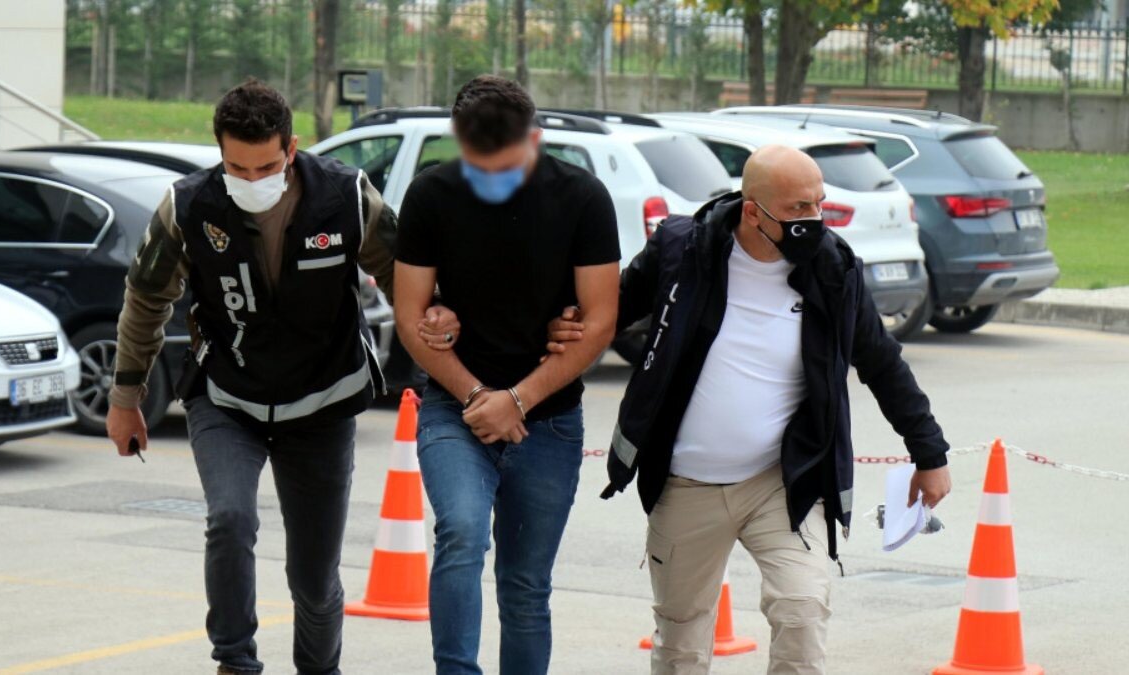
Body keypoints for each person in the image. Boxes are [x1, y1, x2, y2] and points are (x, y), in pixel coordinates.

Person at [545, 145, 953, 674]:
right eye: (798, 208)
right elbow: (611, 313)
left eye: (819, 204)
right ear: (753, 211)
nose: (813, 219)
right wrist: (563, 329)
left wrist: (929, 453)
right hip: (686, 483)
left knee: (803, 610)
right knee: (681, 640)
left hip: (781, 482)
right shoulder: (682, 250)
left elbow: (882, 361)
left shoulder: (832, 268)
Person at [103, 79, 458, 675]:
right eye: (236, 168)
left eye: (266, 167)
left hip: (323, 402)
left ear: (291, 148)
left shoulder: (346, 196)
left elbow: (408, 279)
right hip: (227, 396)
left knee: (313, 578)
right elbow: (145, 299)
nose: (251, 180)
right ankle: (235, 660)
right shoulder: (188, 206)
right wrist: (125, 397)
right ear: (219, 153)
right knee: (230, 519)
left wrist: (442, 324)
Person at [393, 75, 620, 675]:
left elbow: (599, 321)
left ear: (535, 140)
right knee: (462, 534)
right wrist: (478, 395)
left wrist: (518, 400)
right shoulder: (431, 195)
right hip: (455, 407)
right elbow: (411, 318)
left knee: (525, 585)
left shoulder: (582, 197)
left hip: (549, 419)